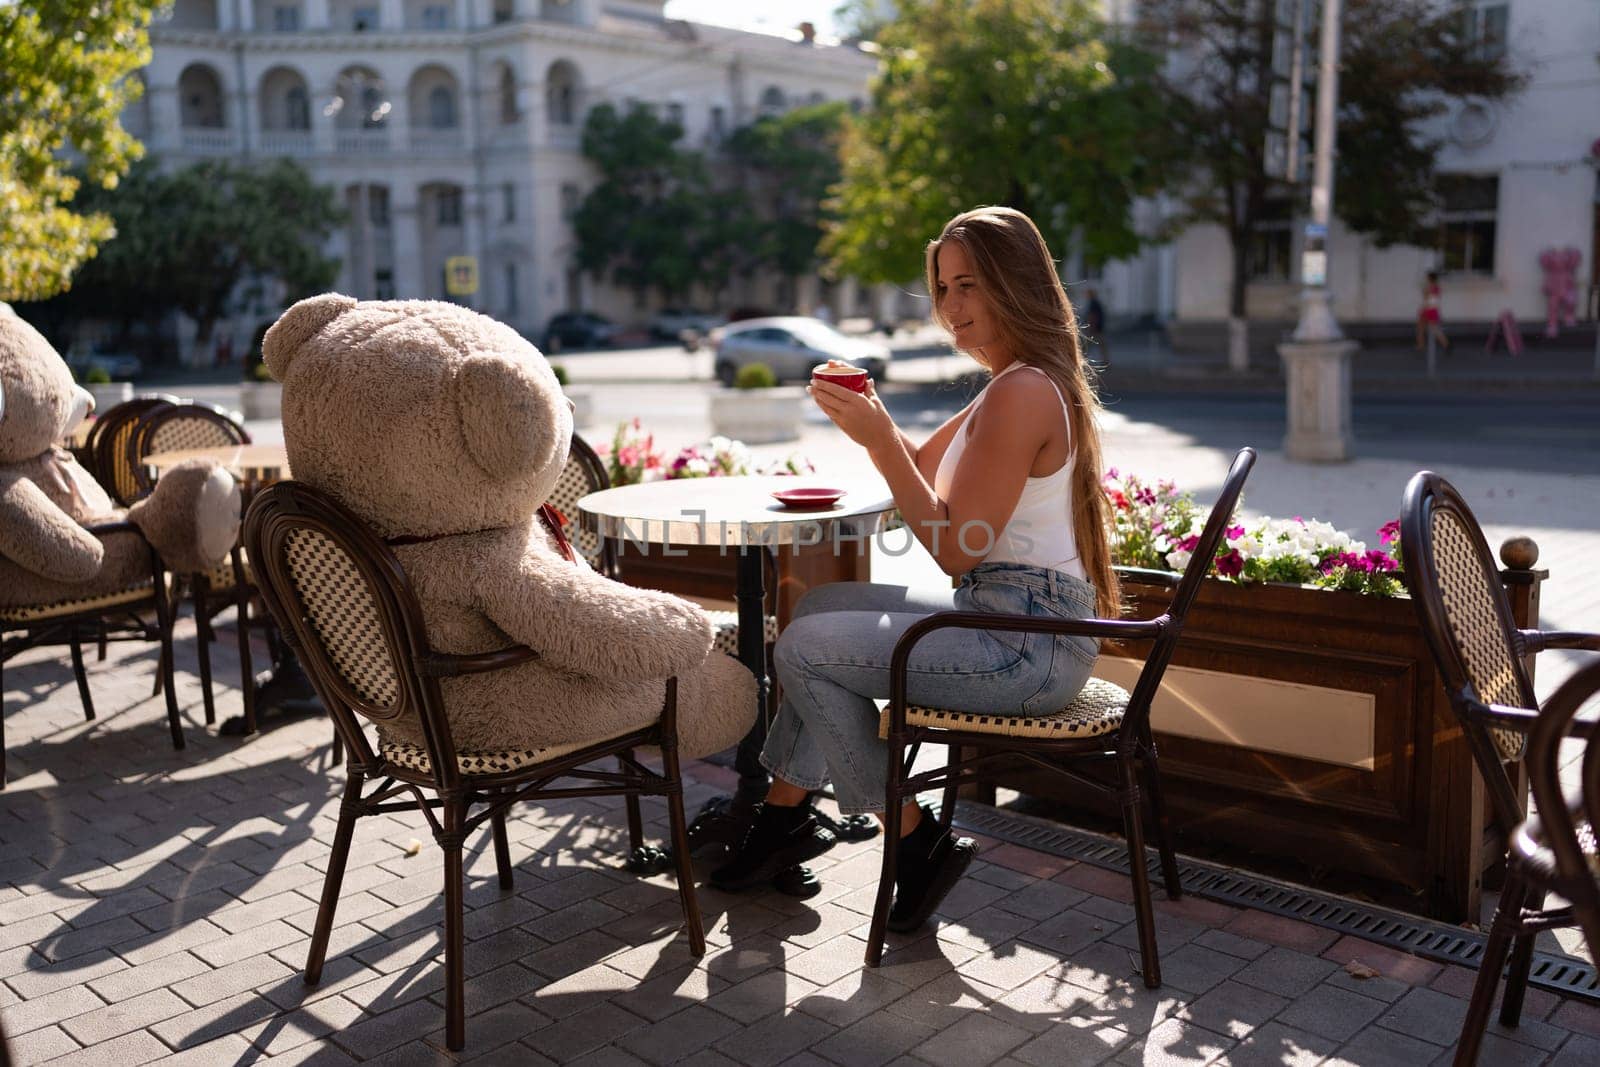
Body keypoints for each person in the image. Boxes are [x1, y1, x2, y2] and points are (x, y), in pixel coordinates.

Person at [710, 206, 1119, 933]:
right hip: (1011, 615)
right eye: (941, 288)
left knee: (803, 650)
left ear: (1012, 283)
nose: (950, 308)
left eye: (968, 285)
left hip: (1025, 641)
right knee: (816, 610)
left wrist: (876, 440)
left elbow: (955, 546)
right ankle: (785, 819)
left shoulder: (1022, 392)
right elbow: (922, 471)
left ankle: (911, 837)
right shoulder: (1009, 384)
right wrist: (867, 416)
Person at [1417, 271, 1449, 353]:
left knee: (1421, 329)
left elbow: (1427, 299)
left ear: (1430, 278)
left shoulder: (1429, 287)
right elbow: (1434, 299)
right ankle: (1446, 344)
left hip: (1427, 309)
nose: (1426, 279)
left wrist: (1422, 308)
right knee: (1434, 329)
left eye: (1427, 277)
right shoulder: (1437, 287)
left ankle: (1421, 346)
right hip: (1434, 310)